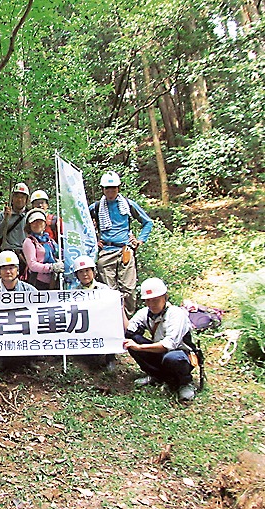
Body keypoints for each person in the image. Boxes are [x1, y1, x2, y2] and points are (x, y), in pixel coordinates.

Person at [89, 171, 153, 318]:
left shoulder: (128, 205)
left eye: (113, 188)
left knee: (129, 289)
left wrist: (140, 240)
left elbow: (147, 222)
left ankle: (128, 323)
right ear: (103, 189)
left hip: (125, 249)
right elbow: (83, 223)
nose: (110, 191)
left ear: (118, 188)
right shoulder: (97, 207)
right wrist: (94, 240)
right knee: (108, 291)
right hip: (106, 251)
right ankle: (112, 321)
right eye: (107, 188)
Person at [123, 277, 196, 402]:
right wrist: (121, 308)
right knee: (131, 340)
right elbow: (128, 330)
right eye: (148, 301)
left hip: (180, 354)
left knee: (172, 358)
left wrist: (140, 347)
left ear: (165, 297)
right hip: (159, 352)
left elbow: (169, 344)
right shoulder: (145, 313)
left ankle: (184, 383)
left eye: (155, 300)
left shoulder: (176, 314)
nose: (151, 305)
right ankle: (156, 376)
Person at [74, 254, 126, 372]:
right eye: (81, 272)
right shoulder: (74, 293)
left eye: (87, 270)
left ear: (93, 271)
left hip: (101, 322)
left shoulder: (104, 289)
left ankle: (110, 358)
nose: (85, 274)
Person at [21, 208, 64, 290]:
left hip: (54, 279)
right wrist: (51, 267)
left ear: (45, 224)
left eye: (40, 221)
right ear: (29, 225)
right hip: (38, 282)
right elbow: (32, 265)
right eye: (34, 222)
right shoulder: (29, 242)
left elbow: (60, 252)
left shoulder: (49, 240)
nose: (38, 224)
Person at [0, 182, 30, 274]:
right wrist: (5, 220)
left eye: (23, 197)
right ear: (12, 198)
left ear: (26, 199)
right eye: (17, 196)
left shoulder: (30, 215)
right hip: (8, 252)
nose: (19, 199)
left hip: (26, 254)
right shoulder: (3, 215)